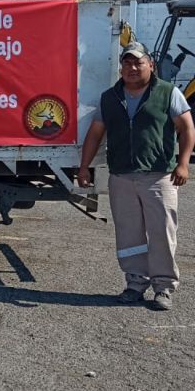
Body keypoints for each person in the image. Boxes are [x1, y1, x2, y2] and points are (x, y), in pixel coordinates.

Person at [78, 41, 195, 311]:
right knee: (129, 235)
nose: (132, 68)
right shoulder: (110, 97)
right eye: (127, 63)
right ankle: (135, 283)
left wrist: (183, 163)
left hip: (158, 176)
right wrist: (84, 167)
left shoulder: (168, 93)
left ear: (150, 66)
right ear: (121, 68)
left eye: (138, 62)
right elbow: (96, 133)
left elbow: (187, 128)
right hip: (121, 177)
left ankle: (163, 287)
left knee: (162, 233)